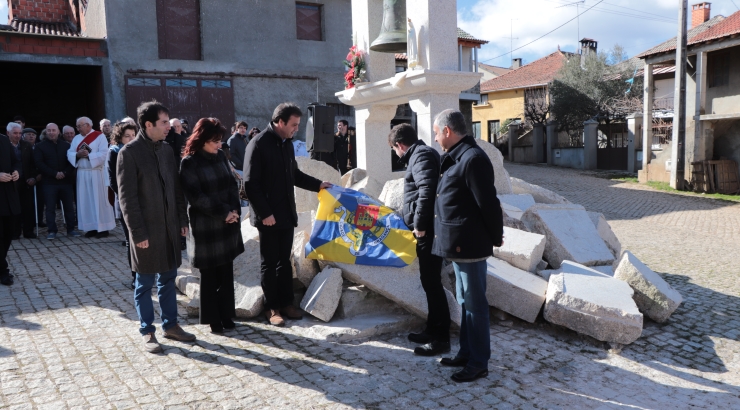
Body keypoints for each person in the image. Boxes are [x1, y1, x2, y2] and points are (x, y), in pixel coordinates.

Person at [243, 103, 332, 326]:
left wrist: (319, 184)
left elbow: (295, 175)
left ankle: (286, 303)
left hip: (285, 215)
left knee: (285, 262)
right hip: (268, 218)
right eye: (293, 125)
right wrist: (265, 214)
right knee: (270, 263)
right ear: (280, 122)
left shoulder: (287, 144)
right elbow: (250, 184)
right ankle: (271, 308)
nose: (296, 129)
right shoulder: (258, 144)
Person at [117, 100, 195, 353]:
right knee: (145, 282)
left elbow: (176, 189)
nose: (168, 127)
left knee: (169, 278)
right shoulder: (128, 154)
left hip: (170, 228)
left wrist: (182, 220)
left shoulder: (166, 151)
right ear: (148, 124)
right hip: (146, 231)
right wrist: (137, 233)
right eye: (163, 123)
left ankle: (171, 325)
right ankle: (147, 331)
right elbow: (126, 199)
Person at [432, 109, 503, 383]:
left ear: (448, 131)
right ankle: (465, 352)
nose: (436, 138)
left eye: (437, 133)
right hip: (459, 244)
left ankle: (478, 362)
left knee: (475, 305)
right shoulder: (456, 156)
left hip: (470, 245)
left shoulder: (472, 159)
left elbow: (489, 204)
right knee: (464, 302)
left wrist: (495, 237)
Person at [389, 123, 450, 356]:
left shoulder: (421, 156)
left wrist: (421, 226)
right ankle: (432, 330)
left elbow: (426, 190)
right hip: (428, 229)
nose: (396, 155)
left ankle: (441, 338)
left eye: (395, 150)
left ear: (400, 145)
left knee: (433, 284)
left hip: (429, 231)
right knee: (429, 282)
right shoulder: (420, 155)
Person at [180, 118, 244, 334]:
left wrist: (234, 211)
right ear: (202, 139)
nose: (219, 145)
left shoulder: (220, 157)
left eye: (219, 141)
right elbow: (196, 197)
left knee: (226, 270)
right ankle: (212, 317)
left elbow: (232, 185)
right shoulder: (189, 162)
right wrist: (223, 212)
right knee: (209, 275)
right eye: (214, 141)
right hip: (207, 225)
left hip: (227, 223)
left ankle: (226, 314)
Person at [67, 116, 116, 238]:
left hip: (96, 173)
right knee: (86, 201)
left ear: (88, 125)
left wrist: (89, 155)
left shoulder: (99, 136)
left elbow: (105, 154)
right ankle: (91, 227)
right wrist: (77, 154)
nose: (78, 129)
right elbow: (70, 152)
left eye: (80, 126)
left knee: (100, 200)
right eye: (77, 126)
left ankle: (104, 228)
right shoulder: (76, 138)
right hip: (82, 173)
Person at [34, 124, 80, 240]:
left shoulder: (66, 146)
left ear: (58, 132)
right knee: (50, 208)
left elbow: (72, 161)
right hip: (49, 182)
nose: (51, 132)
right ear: (46, 132)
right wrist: (54, 173)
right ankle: (52, 230)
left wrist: (64, 173)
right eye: (49, 130)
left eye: (53, 130)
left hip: (66, 181)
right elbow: (39, 163)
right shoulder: (40, 146)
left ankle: (71, 229)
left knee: (69, 207)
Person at [108, 122, 137, 287]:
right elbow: (113, 181)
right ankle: (136, 277)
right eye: (127, 136)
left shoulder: (140, 151)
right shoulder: (114, 153)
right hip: (126, 203)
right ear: (120, 137)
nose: (131, 139)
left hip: (144, 202)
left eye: (133, 135)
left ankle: (149, 274)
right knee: (131, 242)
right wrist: (127, 197)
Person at [7, 123, 38, 239]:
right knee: (14, 208)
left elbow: (32, 164)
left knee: (28, 207)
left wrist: (33, 177)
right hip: (10, 182)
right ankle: (15, 232)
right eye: (15, 133)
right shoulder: (4, 145)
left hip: (26, 180)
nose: (18, 136)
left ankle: (28, 231)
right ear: (8, 133)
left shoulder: (26, 145)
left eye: (20, 133)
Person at [0, 127, 21, 285]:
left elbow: (16, 161)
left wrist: (16, 172)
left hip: (8, 196)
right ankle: (3, 271)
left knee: (9, 232)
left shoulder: (3, 140)